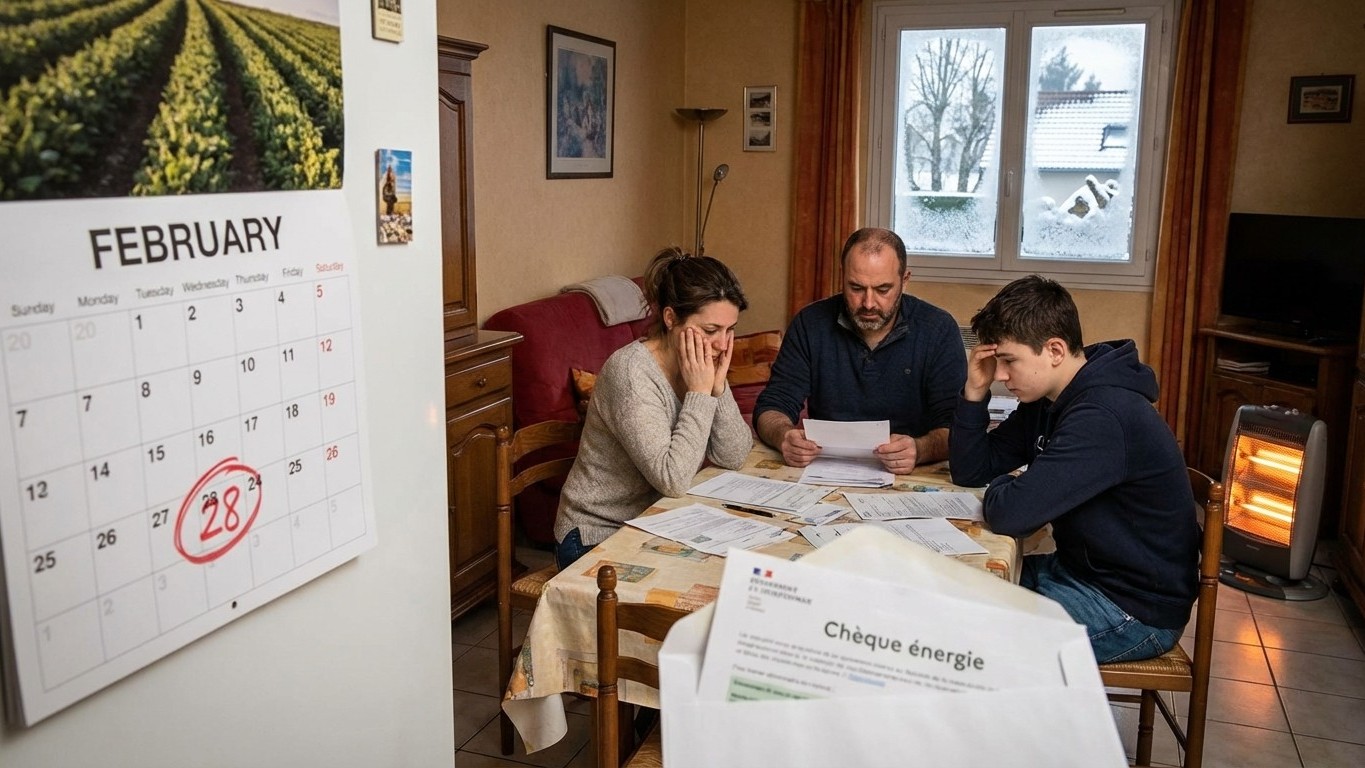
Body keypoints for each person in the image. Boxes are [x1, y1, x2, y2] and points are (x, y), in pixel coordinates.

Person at [949, 275, 1199, 663]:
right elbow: (970, 470)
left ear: (1054, 350)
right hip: (1078, 574)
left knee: (969, 639)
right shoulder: (1049, 399)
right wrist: (974, 392)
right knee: (945, 592)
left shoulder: (1102, 414)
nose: (1000, 374)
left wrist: (1016, 485)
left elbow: (1010, 514)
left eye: (1009, 360)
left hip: (1131, 607)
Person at [554, 247, 754, 570]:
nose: (722, 344)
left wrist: (717, 388)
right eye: (710, 330)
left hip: (655, 522)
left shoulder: (701, 363)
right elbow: (672, 479)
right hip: (595, 535)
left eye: (730, 330)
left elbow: (734, 455)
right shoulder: (631, 374)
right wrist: (702, 394)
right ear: (671, 318)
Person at [753, 227, 966, 473]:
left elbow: (957, 427)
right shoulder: (810, 323)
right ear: (841, 277)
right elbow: (773, 405)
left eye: (883, 289)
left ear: (904, 280)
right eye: (856, 288)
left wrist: (920, 448)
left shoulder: (938, 329)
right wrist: (784, 436)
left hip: (910, 470)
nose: (868, 303)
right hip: (826, 468)